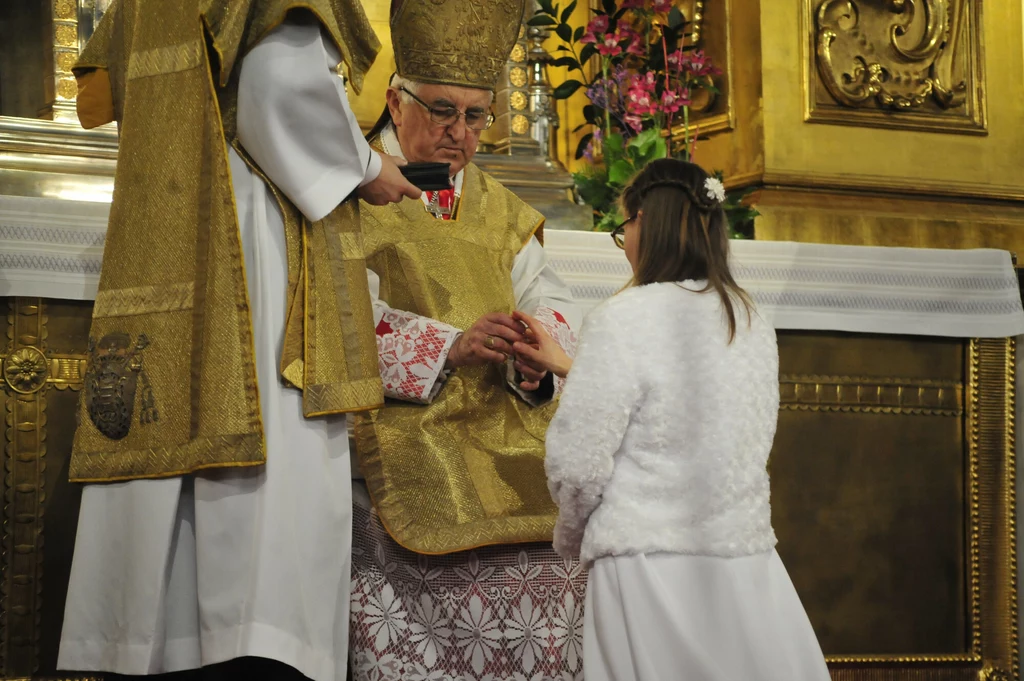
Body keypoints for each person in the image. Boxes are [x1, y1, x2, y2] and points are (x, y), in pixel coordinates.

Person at [58, 2, 419, 681]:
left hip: (171, 218)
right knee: (261, 462)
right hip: (248, 219)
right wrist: (364, 165)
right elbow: (277, 83)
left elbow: (99, 92)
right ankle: (248, 635)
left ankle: (158, 633)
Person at [514, 158, 831, 681]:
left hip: (647, 568)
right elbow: (684, 408)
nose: (626, 242)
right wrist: (571, 365)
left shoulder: (626, 316)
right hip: (744, 563)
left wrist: (572, 535)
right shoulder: (748, 317)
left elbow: (579, 463)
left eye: (625, 228)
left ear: (646, 222)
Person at [345, 1, 582, 678]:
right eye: (442, 111)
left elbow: (553, 302)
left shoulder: (504, 210)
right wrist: (447, 345)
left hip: (502, 437)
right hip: (400, 438)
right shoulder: (348, 192)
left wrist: (534, 351)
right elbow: (334, 315)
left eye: (476, 116)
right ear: (396, 100)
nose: (459, 133)